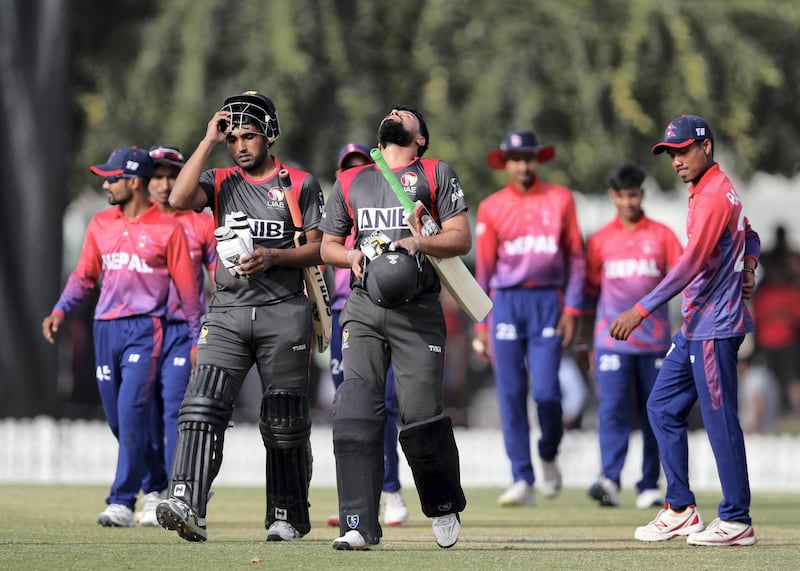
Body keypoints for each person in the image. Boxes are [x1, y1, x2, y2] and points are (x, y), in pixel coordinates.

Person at [154, 91, 325, 543]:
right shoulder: (221, 179)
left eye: (248, 136)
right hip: (227, 312)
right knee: (201, 403)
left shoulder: (300, 183)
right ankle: (187, 502)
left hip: (283, 312)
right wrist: (208, 139)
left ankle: (286, 513)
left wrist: (273, 255)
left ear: (268, 134)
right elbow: (177, 197)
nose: (240, 146)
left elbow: (319, 248)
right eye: (233, 138)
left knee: (283, 419)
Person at [320, 106, 468, 550]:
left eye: (406, 115)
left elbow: (461, 238)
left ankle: (442, 505)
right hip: (363, 308)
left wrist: (418, 241)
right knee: (353, 409)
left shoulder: (436, 172)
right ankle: (358, 524)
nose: (394, 113)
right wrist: (348, 256)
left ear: (420, 138)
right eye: (391, 112)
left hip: (418, 310)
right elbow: (326, 244)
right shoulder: (351, 179)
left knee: (420, 416)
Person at [610, 115, 759, 546]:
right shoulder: (710, 190)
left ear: (706, 147)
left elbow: (691, 263)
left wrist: (640, 309)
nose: (675, 161)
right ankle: (680, 507)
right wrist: (748, 265)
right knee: (661, 409)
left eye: (682, 151)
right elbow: (750, 236)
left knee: (719, 421)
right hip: (696, 325)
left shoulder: (714, 195)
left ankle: (736, 519)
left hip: (714, 326)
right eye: (670, 154)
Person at [42, 146, 203, 528]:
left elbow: (188, 292)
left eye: (112, 178)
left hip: (146, 329)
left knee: (133, 411)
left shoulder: (170, 229)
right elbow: (84, 276)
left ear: (133, 182)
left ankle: (121, 500)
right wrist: (61, 310)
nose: (106, 184)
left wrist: (198, 340)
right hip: (105, 328)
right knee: (118, 419)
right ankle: (158, 483)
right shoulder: (100, 223)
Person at [473, 130, 586, 506]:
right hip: (505, 302)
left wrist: (572, 309)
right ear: (505, 162)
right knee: (510, 393)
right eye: (516, 158)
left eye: (529, 157)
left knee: (547, 392)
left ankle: (549, 451)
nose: (523, 165)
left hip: (547, 302)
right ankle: (522, 476)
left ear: (538, 160)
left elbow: (576, 259)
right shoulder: (491, 207)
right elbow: (484, 273)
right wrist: (480, 325)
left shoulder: (561, 199)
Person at [578, 164, 683, 509]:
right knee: (612, 411)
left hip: (654, 343)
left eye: (633, 194)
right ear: (613, 196)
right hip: (611, 344)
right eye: (621, 195)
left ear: (642, 193)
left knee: (654, 412)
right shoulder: (600, 240)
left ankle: (649, 484)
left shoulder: (663, 235)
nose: (627, 202)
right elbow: (590, 294)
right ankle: (609, 478)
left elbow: (683, 279)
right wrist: (585, 342)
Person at [325, 143, 408, 529]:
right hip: (348, 313)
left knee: (386, 405)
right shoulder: (338, 209)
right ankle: (359, 498)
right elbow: (322, 262)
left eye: (363, 167)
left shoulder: (390, 209)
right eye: (350, 169)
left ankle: (390, 491)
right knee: (351, 409)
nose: (358, 175)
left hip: (390, 310)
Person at [135, 145, 217, 527]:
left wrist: (211, 327)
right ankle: (153, 488)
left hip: (183, 330)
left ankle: (176, 490)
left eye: (173, 175)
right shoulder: (134, 220)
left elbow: (219, 277)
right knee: (141, 411)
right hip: (140, 329)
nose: (166, 184)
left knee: (174, 409)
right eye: (158, 176)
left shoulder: (199, 222)